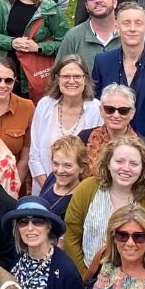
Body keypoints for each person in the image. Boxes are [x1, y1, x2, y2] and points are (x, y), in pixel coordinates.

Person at [92, 4, 145, 188]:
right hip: (107, 160)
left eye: (138, 23)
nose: (132, 28)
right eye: (126, 23)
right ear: (117, 26)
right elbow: (95, 108)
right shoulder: (102, 62)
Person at [63, 133, 145, 278]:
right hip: (88, 277)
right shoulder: (86, 189)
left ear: (143, 167)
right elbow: (71, 235)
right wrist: (83, 276)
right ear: (108, 163)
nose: (126, 168)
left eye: (134, 164)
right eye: (119, 161)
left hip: (136, 282)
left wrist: (137, 281)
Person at [28, 55, 102, 191]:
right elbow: (34, 155)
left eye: (77, 76)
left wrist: (76, 192)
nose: (71, 81)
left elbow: (96, 157)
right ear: (57, 79)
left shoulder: (97, 109)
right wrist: (50, 189)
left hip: (82, 192)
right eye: (66, 76)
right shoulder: (45, 106)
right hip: (44, 189)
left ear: (85, 79)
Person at [55, 0, 120, 70]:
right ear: (86, 6)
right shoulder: (73, 37)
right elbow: (58, 75)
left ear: (114, 2)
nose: (97, 0)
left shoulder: (129, 33)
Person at [40, 135, 89, 223]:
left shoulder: (80, 199)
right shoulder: (52, 177)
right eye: (56, 164)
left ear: (81, 167)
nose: (60, 171)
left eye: (68, 165)